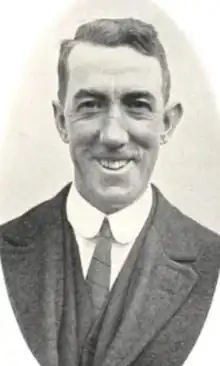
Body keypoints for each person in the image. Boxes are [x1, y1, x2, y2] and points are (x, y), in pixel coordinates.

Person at [0, 18, 220, 366]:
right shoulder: (5, 246)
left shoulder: (213, 262)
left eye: (137, 105)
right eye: (90, 105)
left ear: (167, 123)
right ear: (61, 121)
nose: (113, 136)